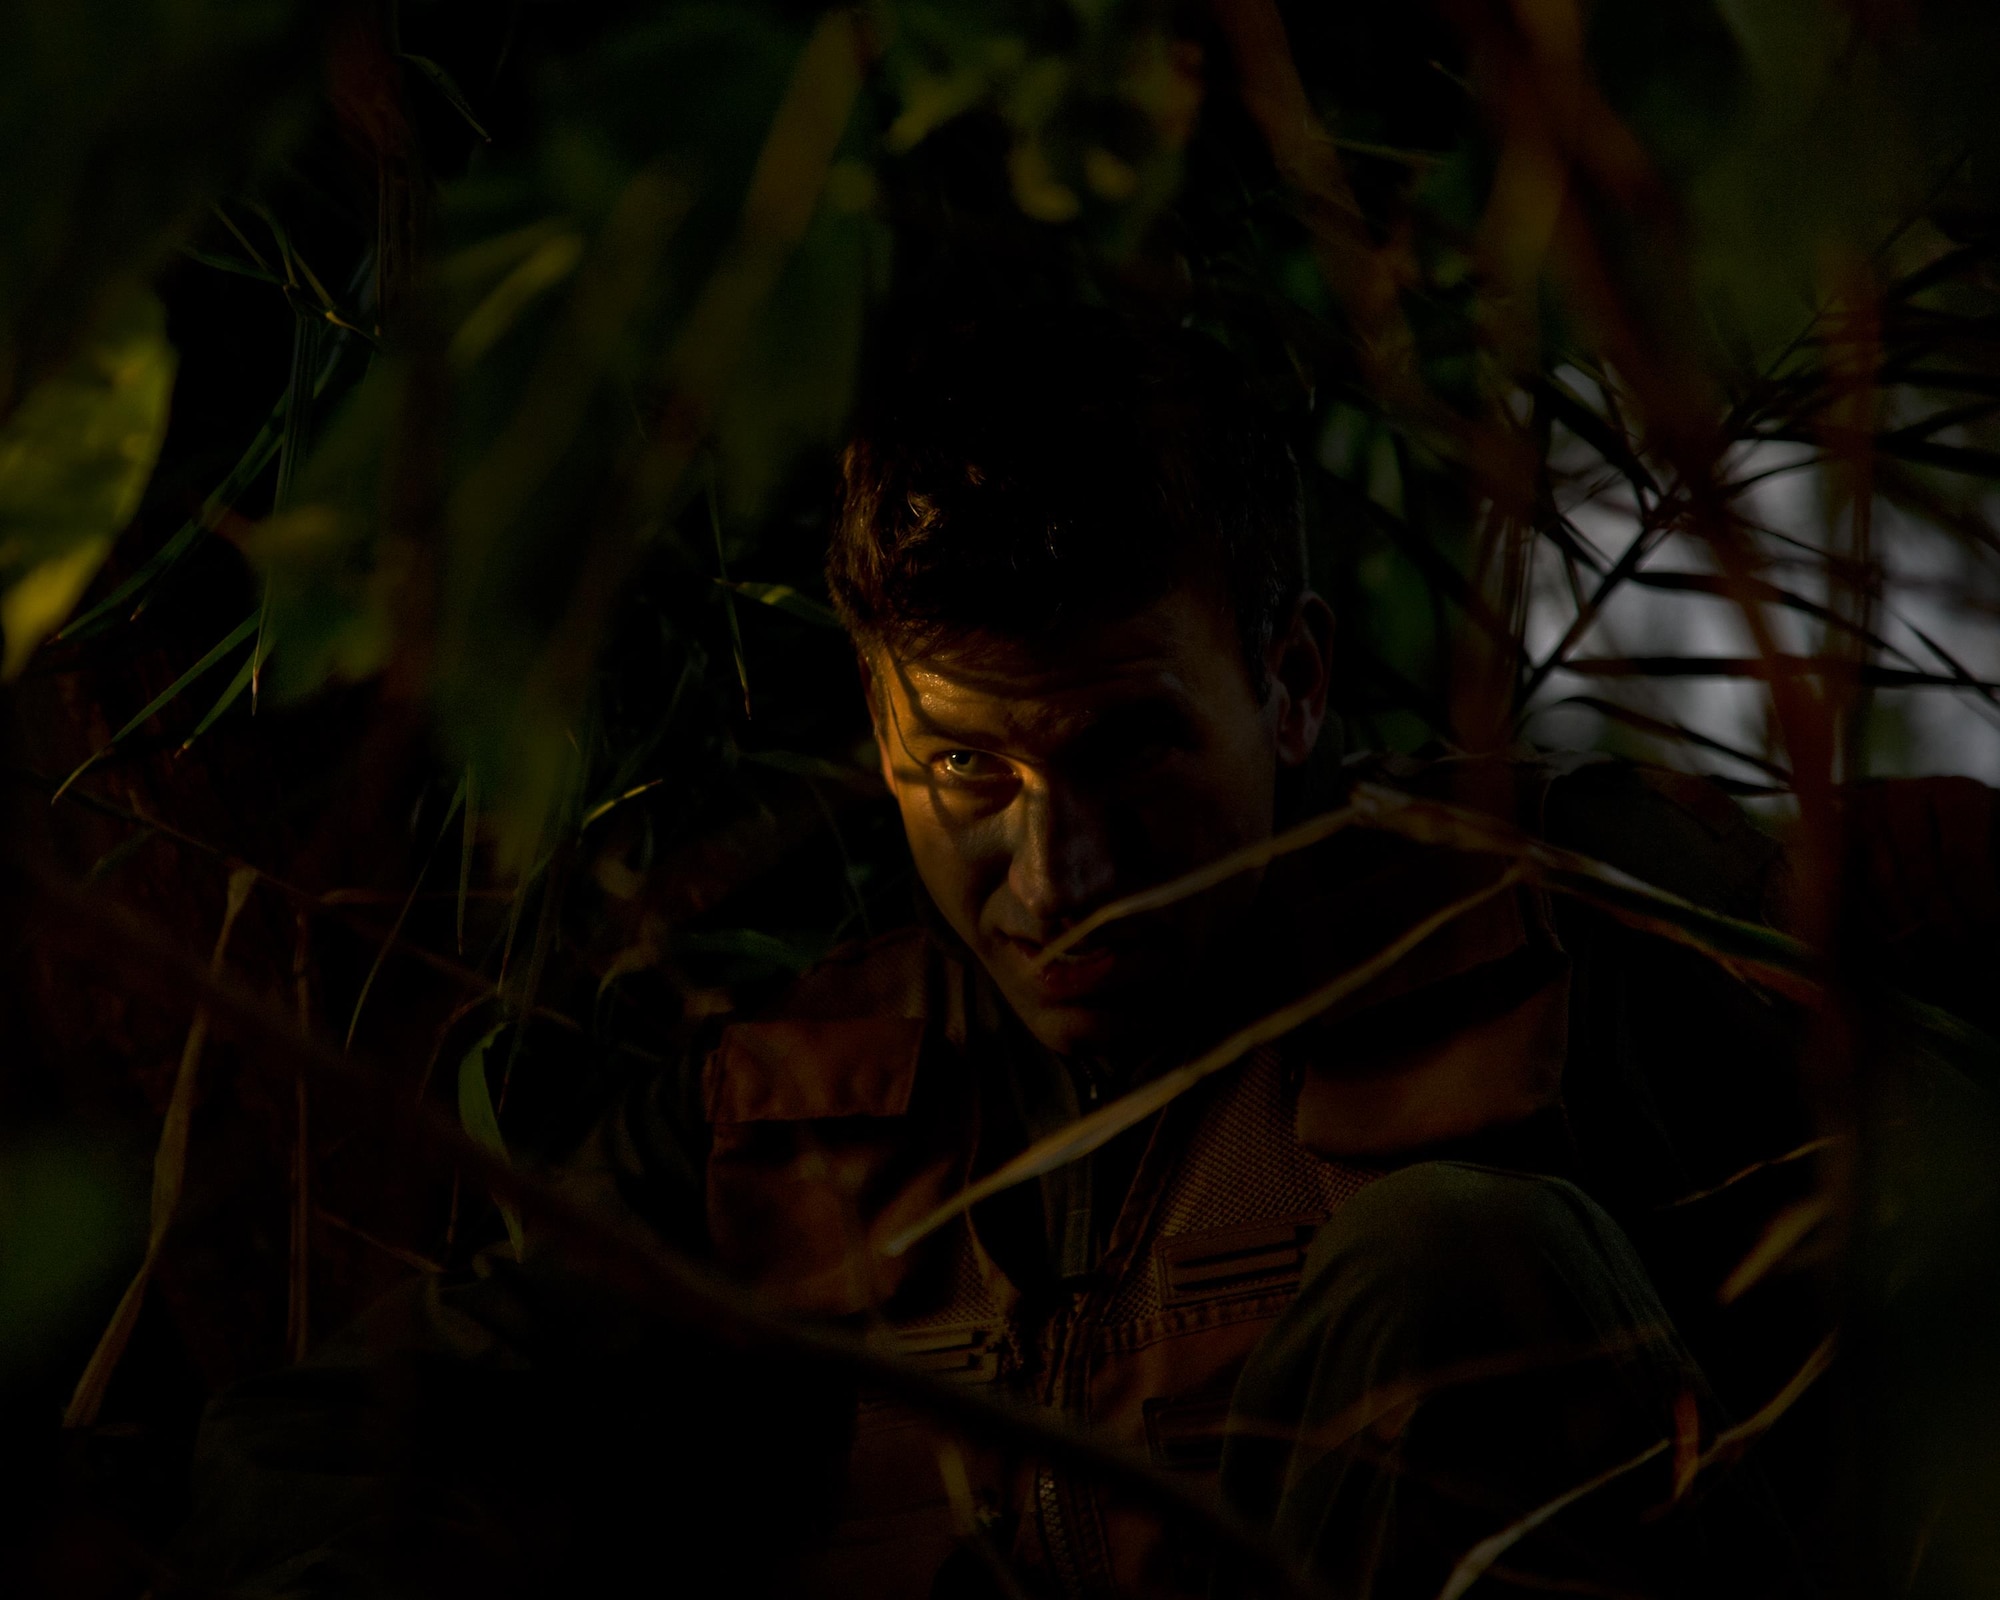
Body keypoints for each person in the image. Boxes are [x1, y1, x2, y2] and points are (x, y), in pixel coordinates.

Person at [178, 310, 1849, 1599]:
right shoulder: (788, 1108)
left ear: (1293, 685)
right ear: (884, 734)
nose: (1061, 878)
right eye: (970, 771)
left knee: (1468, 1260)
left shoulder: (1563, 921)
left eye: (1135, 751)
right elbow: (324, 1446)